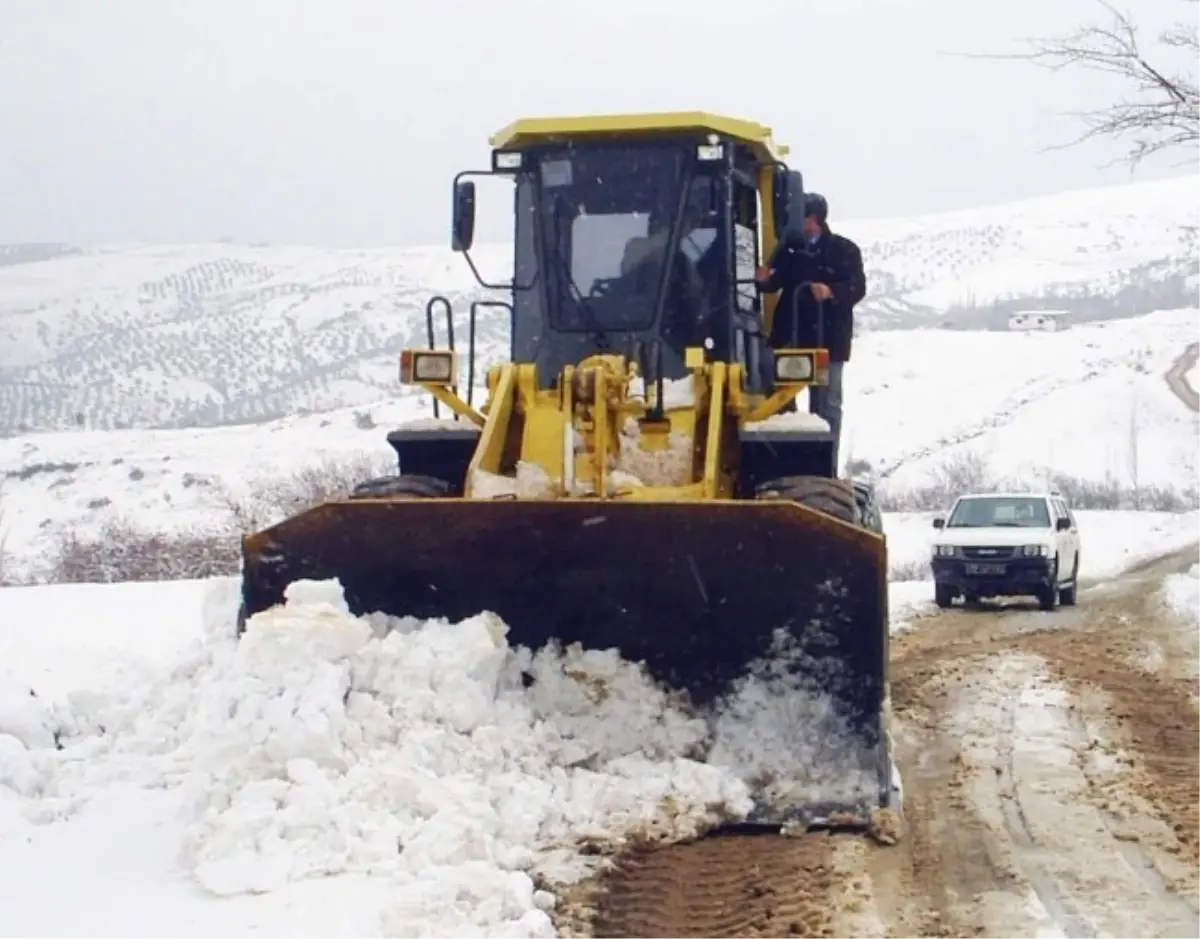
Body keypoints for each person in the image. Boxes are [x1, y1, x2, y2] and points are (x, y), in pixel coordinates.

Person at [754, 192, 866, 471]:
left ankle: (824, 467)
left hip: (826, 340)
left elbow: (857, 288)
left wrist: (830, 291)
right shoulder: (790, 251)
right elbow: (774, 282)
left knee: (826, 404)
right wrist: (763, 279)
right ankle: (787, 457)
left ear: (812, 219)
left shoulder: (844, 250)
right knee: (775, 394)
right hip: (790, 337)